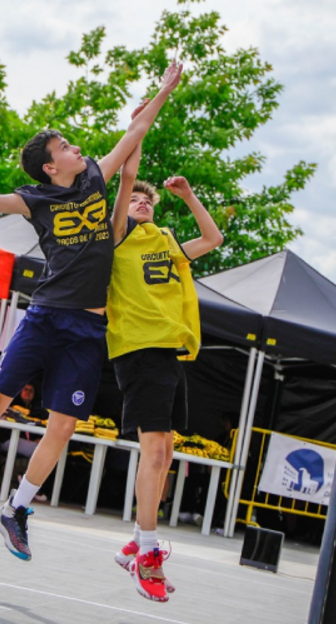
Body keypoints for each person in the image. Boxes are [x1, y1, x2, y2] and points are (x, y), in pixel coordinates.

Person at [0, 63, 183, 561]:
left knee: (63, 424)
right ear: (51, 168)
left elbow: (136, 130)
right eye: (65, 148)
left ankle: (16, 508)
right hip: (46, 312)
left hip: (87, 325)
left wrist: (162, 92)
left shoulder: (97, 176)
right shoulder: (34, 200)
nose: (77, 148)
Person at [108, 143, 223, 600]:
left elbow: (212, 239)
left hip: (169, 352)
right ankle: (148, 555)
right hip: (138, 348)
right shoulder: (117, 238)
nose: (142, 203)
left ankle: (138, 540)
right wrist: (135, 142)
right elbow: (123, 188)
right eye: (136, 198)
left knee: (167, 452)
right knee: (153, 453)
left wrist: (190, 198)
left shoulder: (165, 240)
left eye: (148, 200)